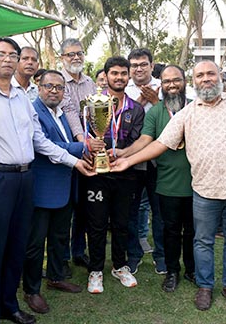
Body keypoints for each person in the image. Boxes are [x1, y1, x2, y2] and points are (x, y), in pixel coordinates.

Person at [0, 37, 94, 324]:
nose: (8, 59)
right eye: (2, 54)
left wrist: (74, 161)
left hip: (25, 178)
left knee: (17, 247)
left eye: (13, 55)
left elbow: (38, 140)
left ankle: (9, 305)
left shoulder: (22, 97)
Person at [112, 60, 226, 312]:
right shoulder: (187, 113)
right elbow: (159, 143)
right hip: (204, 190)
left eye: (211, 73)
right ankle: (205, 286)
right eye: (201, 75)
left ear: (220, 76)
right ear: (195, 80)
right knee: (201, 240)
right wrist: (126, 160)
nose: (206, 78)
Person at [116, 64, 195, 292]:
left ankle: (191, 269)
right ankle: (172, 271)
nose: (171, 85)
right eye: (167, 81)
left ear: (184, 82)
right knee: (169, 229)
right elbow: (144, 140)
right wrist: (124, 153)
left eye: (176, 80)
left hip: (197, 183)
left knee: (192, 231)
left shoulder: (196, 108)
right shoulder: (156, 112)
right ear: (161, 84)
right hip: (167, 182)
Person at [22, 70, 85, 315]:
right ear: (39, 87)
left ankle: (57, 277)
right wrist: (82, 147)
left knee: (60, 237)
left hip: (64, 188)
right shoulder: (33, 111)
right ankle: (31, 290)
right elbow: (43, 145)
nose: (54, 91)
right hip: (42, 190)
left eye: (59, 87)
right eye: (49, 86)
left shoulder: (61, 114)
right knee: (35, 244)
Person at [83, 57, 145, 294]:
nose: (119, 77)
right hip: (96, 174)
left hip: (125, 174)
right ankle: (96, 269)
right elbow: (84, 134)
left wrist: (120, 153)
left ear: (128, 76)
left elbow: (138, 141)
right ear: (106, 75)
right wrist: (92, 147)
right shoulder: (91, 105)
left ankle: (120, 266)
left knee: (122, 223)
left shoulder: (135, 109)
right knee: (97, 224)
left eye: (123, 73)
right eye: (114, 73)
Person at [124, 48, 165, 275]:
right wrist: (140, 102)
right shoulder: (124, 89)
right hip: (132, 159)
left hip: (161, 160)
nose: (138, 69)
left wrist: (157, 100)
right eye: (135, 65)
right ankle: (133, 255)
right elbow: (122, 123)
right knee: (131, 211)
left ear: (151, 65)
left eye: (143, 64)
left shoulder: (164, 85)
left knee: (160, 212)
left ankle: (161, 256)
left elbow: (175, 117)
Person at [57, 38, 97, 271]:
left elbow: (95, 113)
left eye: (79, 53)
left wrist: (95, 142)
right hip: (69, 148)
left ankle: (78, 251)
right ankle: (61, 256)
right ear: (62, 57)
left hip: (89, 148)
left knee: (83, 204)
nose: (75, 58)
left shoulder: (89, 82)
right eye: (70, 54)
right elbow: (70, 112)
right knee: (66, 206)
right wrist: (83, 142)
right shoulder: (59, 81)